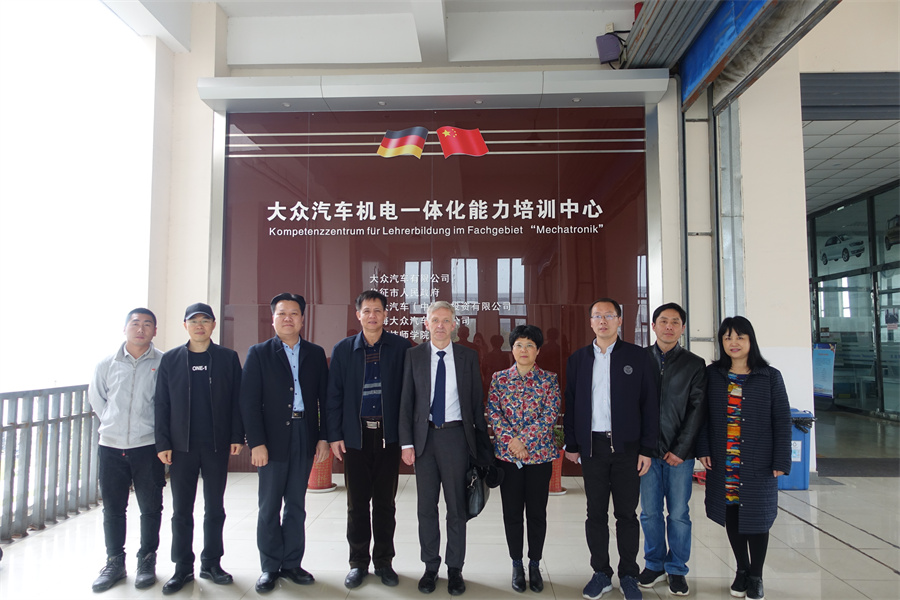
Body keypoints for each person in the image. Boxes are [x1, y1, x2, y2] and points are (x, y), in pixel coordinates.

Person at [563, 298, 658, 600]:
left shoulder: (638, 357)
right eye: (597, 316)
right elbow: (571, 401)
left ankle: (629, 574)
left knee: (627, 515)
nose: (602, 321)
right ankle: (601, 573)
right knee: (595, 513)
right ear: (590, 322)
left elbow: (650, 405)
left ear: (619, 320)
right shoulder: (579, 359)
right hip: (593, 447)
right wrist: (572, 443)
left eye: (608, 315)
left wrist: (647, 448)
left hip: (628, 449)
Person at [239, 293, 330, 593]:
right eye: (282, 313)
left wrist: (323, 437)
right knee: (269, 506)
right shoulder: (259, 353)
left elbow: (325, 398)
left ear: (303, 319)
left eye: (294, 313)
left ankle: (292, 563)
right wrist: (256, 442)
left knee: (296, 504)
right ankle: (269, 567)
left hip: (305, 433)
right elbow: (249, 402)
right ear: (273, 319)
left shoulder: (315, 353)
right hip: (272, 438)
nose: (288, 318)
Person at [696, 317, 791, 600]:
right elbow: (702, 417)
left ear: (751, 340)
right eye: (727, 338)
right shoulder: (713, 374)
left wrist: (781, 460)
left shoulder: (770, 376)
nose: (733, 343)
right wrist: (703, 449)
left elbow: (782, 420)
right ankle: (741, 569)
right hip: (724, 460)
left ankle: (756, 576)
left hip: (758, 460)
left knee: (758, 518)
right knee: (732, 513)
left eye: (739, 337)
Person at [399, 300, 488, 596]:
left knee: (456, 508)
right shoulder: (414, 356)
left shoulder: (467, 357)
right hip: (424, 440)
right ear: (426, 324)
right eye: (435, 320)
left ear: (454, 325)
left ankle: (455, 569)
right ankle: (430, 567)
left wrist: (480, 446)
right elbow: (406, 402)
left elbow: (475, 403)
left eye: (446, 320)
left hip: (456, 438)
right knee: (426, 507)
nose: (440, 325)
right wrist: (407, 443)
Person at [154, 302, 244, 594]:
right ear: (185, 326)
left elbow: (238, 400)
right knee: (181, 510)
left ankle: (211, 563)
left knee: (215, 508)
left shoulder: (228, 358)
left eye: (205, 320)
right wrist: (163, 442)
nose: (199, 326)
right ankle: (182, 568)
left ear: (214, 325)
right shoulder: (171, 359)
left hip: (217, 445)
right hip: (181, 447)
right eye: (194, 321)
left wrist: (237, 436)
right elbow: (161, 403)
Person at [326, 290, 412, 589]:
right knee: (357, 504)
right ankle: (358, 563)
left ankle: (384, 562)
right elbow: (333, 395)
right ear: (358, 315)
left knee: (385, 505)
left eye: (377, 310)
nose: (372, 315)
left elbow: (409, 395)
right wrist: (335, 435)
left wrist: (407, 438)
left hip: (388, 438)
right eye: (367, 310)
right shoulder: (343, 349)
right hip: (356, 437)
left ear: (386, 314)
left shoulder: (401, 348)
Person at [88, 308, 165, 592]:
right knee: (113, 508)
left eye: (147, 324)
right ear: (125, 328)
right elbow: (98, 400)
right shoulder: (106, 364)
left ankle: (146, 561)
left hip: (147, 446)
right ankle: (114, 563)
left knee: (150, 507)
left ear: (155, 330)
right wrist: (114, 425)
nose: (141, 329)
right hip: (111, 446)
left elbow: (166, 403)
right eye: (135, 324)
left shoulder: (163, 363)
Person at [638, 303, 707, 596]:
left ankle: (677, 568)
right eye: (663, 321)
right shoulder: (639, 359)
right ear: (653, 326)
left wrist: (681, 448)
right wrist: (641, 447)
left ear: (683, 328)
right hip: (646, 454)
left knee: (678, 513)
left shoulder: (694, 364)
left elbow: (697, 409)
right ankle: (654, 564)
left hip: (681, 455)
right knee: (650, 513)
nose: (669, 326)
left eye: (675, 322)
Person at [487, 324, 560, 593]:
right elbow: (493, 412)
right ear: (512, 348)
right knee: (512, 513)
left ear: (538, 350)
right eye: (519, 345)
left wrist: (524, 441)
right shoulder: (499, 379)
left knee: (537, 513)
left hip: (539, 457)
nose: (524, 350)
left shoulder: (549, 380)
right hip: (509, 459)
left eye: (530, 345)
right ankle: (517, 564)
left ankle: (535, 564)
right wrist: (512, 442)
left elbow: (550, 415)